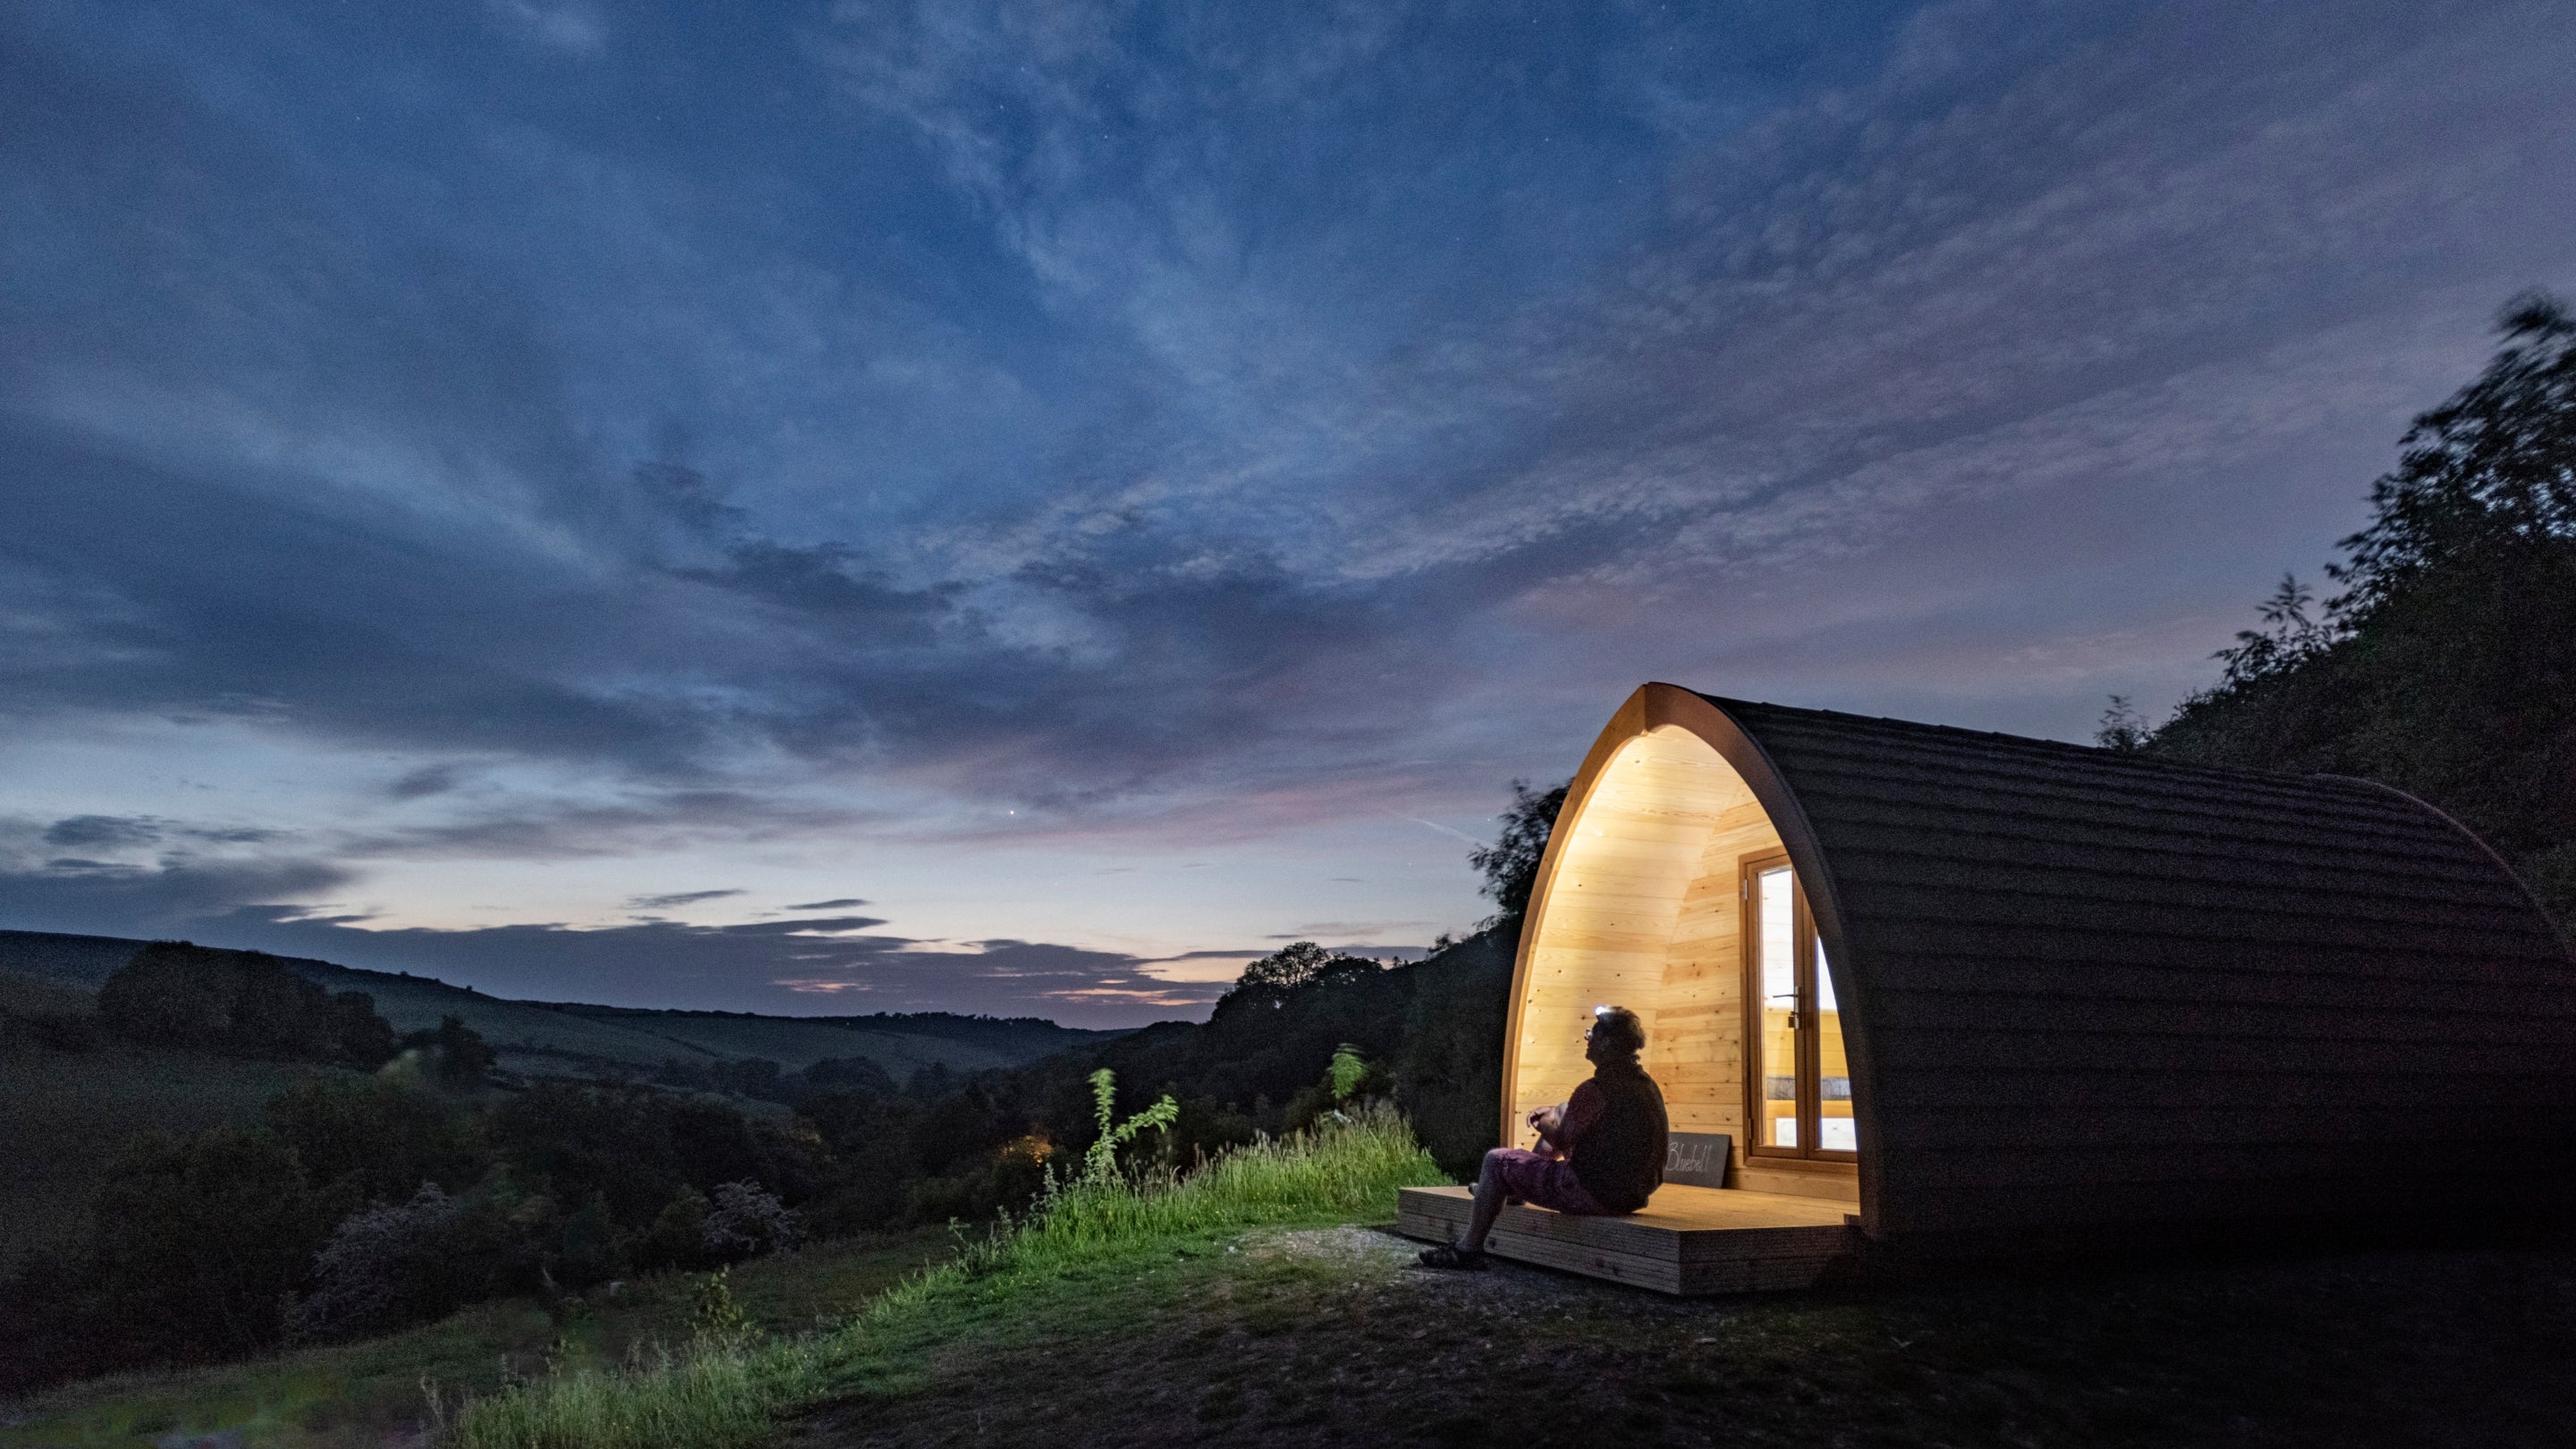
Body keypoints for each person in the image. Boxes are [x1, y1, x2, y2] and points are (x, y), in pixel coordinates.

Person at [1419, 1004, 1668, 1269]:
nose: (1587, 1039)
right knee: (1562, 1107)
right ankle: (1512, 1191)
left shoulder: (1597, 1089)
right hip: (1631, 1194)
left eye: (1592, 1033)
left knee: (1496, 1160)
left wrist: (1544, 1123)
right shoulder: (1644, 1084)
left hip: (1593, 1193)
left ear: (1607, 1043)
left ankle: (1468, 1249)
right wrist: (1558, 1115)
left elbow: (1562, 1139)